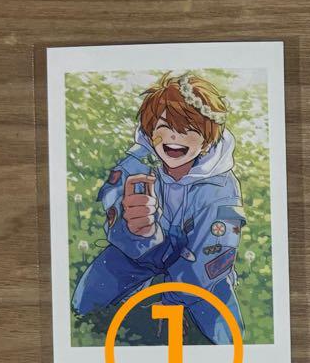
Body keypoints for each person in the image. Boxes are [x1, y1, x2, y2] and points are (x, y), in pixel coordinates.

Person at [72, 72, 246, 344]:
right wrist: (135, 230)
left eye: (190, 130)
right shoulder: (136, 164)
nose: (175, 137)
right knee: (85, 301)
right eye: (165, 126)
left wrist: (174, 297)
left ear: (206, 140)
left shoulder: (221, 186)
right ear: (151, 130)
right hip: (142, 252)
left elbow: (214, 253)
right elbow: (113, 206)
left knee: (225, 330)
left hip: (197, 259)